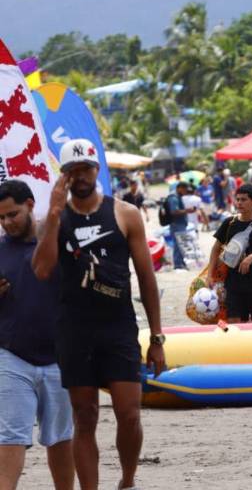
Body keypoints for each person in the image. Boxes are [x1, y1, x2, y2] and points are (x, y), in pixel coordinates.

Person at [32, 139, 166, 490]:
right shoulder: (54, 219)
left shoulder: (125, 213)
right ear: (63, 176)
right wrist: (55, 215)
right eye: (72, 171)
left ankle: (127, 480)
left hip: (118, 326)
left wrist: (157, 337)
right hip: (74, 330)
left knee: (129, 413)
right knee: (85, 415)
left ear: (96, 169)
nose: (80, 177)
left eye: (85, 169)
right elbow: (42, 270)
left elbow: (146, 278)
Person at [0, 181, 74, 490]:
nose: (7, 223)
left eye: (12, 214)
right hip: (11, 358)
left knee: (60, 439)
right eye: (1, 218)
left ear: (30, 204)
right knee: (10, 437)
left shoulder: (60, 242)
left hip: (61, 358)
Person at [206, 184, 252, 323]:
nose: (239, 203)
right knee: (234, 325)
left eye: (244, 199)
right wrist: (209, 275)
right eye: (238, 199)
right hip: (232, 284)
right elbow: (216, 248)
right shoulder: (229, 223)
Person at [166, 181, 196, 270]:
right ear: (180, 188)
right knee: (178, 244)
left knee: (180, 244)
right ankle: (178, 264)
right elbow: (174, 211)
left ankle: (181, 263)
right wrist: (188, 210)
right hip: (176, 224)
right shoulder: (173, 197)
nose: (186, 192)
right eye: (185, 190)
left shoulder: (177, 196)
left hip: (180, 224)